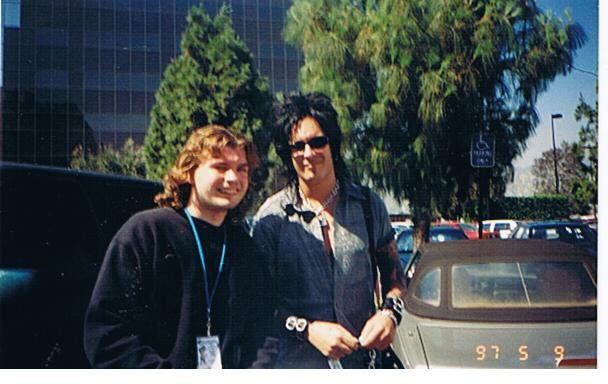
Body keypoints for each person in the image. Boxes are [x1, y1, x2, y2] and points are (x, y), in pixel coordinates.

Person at [84, 125, 268, 368]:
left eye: (241, 169)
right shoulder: (147, 232)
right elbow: (107, 332)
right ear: (190, 173)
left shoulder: (246, 248)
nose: (233, 178)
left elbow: (265, 334)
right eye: (220, 167)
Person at [252, 93, 406, 368]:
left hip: (364, 363)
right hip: (297, 366)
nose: (308, 153)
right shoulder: (271, 218)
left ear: (332, 144)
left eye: (317, 142)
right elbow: (259, 304)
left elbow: (395, 278)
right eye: (297, 146)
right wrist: (307, 329)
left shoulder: (368, 206)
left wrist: (390, 315)